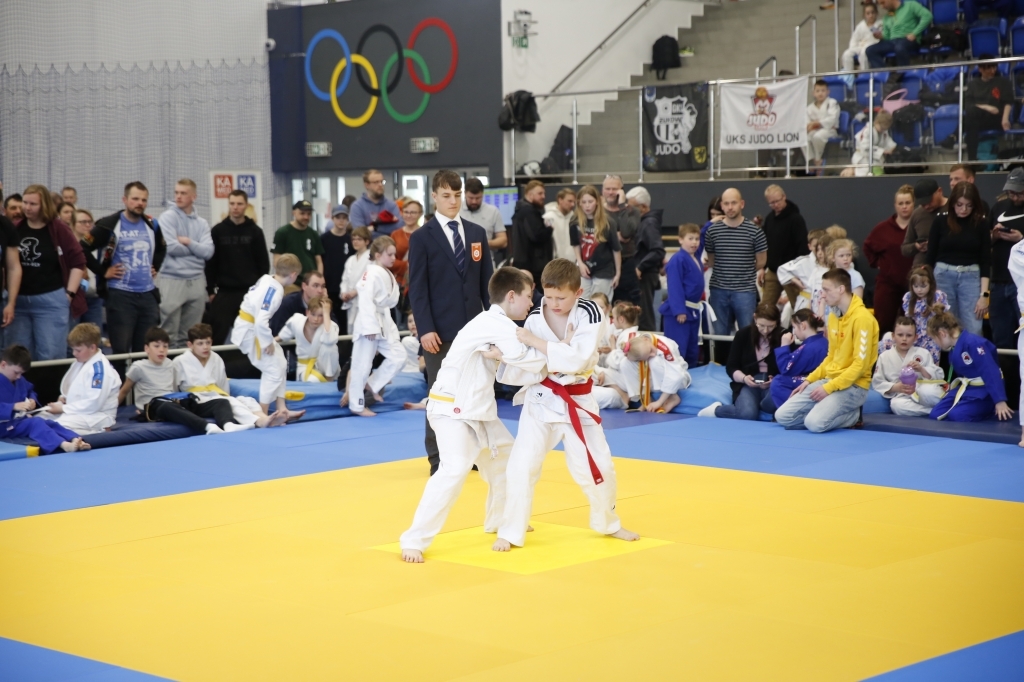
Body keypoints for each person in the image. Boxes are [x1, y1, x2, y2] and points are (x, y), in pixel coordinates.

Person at [399, 267, 548, 562]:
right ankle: (413, 540)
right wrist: (549, 349)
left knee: (507, 458)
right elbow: (529, 361)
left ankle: (501, 520)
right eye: (528, 296)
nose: (532, 303)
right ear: (511, 296)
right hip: (453, 409)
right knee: (454, 469)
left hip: (476, 409)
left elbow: (515, 367)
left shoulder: (491, 322)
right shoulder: (498, 325)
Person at [493, 258, 639, 551]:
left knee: (599, 466)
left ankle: (608, 523)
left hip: (578, 400)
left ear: (578, 292)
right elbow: (531, 363)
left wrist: (537, 343)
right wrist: (554, 350)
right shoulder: (535, 317)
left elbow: (577, 360)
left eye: (561, 298)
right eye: (548, 296)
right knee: (521, 466)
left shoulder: (591, 313)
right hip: (540, 399)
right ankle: (510, 530)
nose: (554, 303)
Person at [408, 170, 494, 474]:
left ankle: (469, 454)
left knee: (472, 395)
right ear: (434, 196)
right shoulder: (421, 238)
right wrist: (425, 330)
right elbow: (417, 288)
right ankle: (438, 459)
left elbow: (488, 285)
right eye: (446, 195)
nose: (453, 201)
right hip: (438, 333)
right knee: (440, 396)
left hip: (472, 330)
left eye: (457, 195)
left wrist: (493, 326)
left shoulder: (476, 233)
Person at [775, 269, 879, 432]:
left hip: (854, 386)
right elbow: (831, 357)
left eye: (826, 290)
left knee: (814, 424)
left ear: (841, 289)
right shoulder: (833, 316)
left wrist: (828, 388)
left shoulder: (863, 319)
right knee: (782, 416)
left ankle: (854, 416)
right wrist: (809, 380)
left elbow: (860, 366)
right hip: (830, 379)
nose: (822, 295)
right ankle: (822, 414)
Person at [120, 327, 250, 434]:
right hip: (154, 405)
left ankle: (228, 424)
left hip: (173, 401)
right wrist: (112, 414)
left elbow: (175, 388)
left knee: (221, 401)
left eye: (165, 346)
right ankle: (207, 426)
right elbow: (124, 391)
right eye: (156, 346)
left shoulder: (171, 364)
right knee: (165, 405)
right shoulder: (138, 367)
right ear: (146, 348)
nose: (161, 350)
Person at [9, 185, 86, 360]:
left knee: (50, 354)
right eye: (25, 203)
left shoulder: (58, 228)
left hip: (50, 301)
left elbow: (78, 262)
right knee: (19, 355)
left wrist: (69, 294)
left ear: (43, 205)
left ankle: (50, 380)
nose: (27, 208)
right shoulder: (16, 228)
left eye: (33, 204)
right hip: (19, 301)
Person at [89, 181, 166, 354]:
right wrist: (103, 271)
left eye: (144, 200)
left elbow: (162, 248)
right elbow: (82, 248)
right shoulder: (108, 225)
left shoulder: (152, 224)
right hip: (120, 296)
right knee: (121, 350)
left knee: (146, 349)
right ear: (124, 200)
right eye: (135, 199)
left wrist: (155, 266)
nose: (140, 203)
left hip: (147, 296)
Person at [172, 323, 284, 429]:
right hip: (195, 399)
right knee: (230, 403)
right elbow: (174, 390)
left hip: (216, 395)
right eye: (200, 343)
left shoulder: (216, 358)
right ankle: (259, 422)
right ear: (190, 345)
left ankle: (265, 418)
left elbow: (223, 386)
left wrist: (225, 396)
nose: (205, 347)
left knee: (248, 400)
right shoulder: (179, 362)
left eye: (208, 342)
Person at [231, 253, 300, 417]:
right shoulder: (275, 291)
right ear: (293, 275)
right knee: (273, 370)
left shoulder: (267, 278)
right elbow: (261, 321)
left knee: (281, 361)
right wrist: (267, 342)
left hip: (250, 326)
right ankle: (262, 414)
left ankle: (282, 408)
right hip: (251, 331)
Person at [344, 236, 404, 416]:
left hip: (383, 320)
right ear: (378, 255)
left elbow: (387, 304)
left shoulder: (385, 272)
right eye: (389, 254)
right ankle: (357, 406)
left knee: (399, 356)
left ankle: (372, 384)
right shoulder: (370, 273)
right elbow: (365, 299)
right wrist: (369, 327)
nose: (393, 258)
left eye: (394, 254)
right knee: (361, 365)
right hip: (368, 322)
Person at [205, 189, 270, 345]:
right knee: (218, 335)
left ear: (246, 205)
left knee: (252, 334)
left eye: (239, 204)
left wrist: (260, 290)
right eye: (232, 203)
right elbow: (211, 263)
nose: (235, 207)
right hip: (225, 292)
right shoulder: (218, 231)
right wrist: (210, 290)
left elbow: (263, 264)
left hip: (249, 292)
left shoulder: (255, 232)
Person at [698, 303, 783, 420]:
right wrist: (744, 378)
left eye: (771, 326)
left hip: (775, 384)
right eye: (761, 325)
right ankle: (717, 410)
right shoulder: (743, 335)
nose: (765, 330)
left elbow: (791, 367)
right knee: (747, 414)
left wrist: (775, 380)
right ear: (755, 318)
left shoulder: (784, 336)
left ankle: (763, 407)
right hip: (748, 384)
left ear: (777, 322)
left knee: (775, 405)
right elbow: (731, 366)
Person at [927, 306, 1012, 422]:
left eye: (934, 339)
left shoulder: (974, 343)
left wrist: (999, 400)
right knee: (936, 413)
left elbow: (990, 372)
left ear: (942, 334)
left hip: (986, 392)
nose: (935, 343)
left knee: (957, 415)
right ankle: (969, 407)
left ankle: (990, 409)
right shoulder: (954, 347)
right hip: (969, 389)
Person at [927, 181, 989, 336]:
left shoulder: (981, 223)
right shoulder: (940, 220)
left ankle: (971, 352)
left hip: (971, 277)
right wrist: (929, 288)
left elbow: (986, 262)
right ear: (953, 203)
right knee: (944, 326)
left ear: (975, 205)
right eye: (959, 205)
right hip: (943, 276)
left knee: (974, 327)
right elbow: (930, 257)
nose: (964, 210)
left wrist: (984, 296)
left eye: (969, 205)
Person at [156, 179, 213, 348]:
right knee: (168, 334)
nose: (178, 196)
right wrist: (197, 248)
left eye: (183, 193)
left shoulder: (202, 223)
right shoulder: (167, 217)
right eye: (176, 193)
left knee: (190, 335)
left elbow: (208, 252)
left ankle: (186, 365)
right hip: (172, 280)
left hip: (197, 281)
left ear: (193, 197)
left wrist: (188, 242)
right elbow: (171, 248)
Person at [0, 344, 88, 453]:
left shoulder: (19, 380)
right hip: (3, 427)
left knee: (49, 423)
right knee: (35, 423)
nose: (18, 376)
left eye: (21, 373)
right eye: (16, 372)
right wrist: (13, 407)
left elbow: (30, 390)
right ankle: (65, 445)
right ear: (3, 364)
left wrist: (32, 399)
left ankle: (76, 439)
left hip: (17, 422)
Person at [704, 188, 767, 335]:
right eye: (726, 203)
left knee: (748, 334)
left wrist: (743, 270)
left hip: (745, 291)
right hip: (718, 290)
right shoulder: (712, 232)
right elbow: (712, 261)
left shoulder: (755, 232)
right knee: (720, 336)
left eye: (734, 203)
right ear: (722, 206)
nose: (730, 207)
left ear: (742, 204)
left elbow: (762, 262)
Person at [43, 323, 120, 434]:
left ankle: (100, 431)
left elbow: (94, 403)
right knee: (40, 419)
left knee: (57, 426)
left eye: (78, 350)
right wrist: (64, 398)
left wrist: (63, 409)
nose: (74, 353)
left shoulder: (100, 370)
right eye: (73, 349)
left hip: (98, 415)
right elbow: (75, 388)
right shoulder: (81, 362)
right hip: (79, 412)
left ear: (92, 347)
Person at [864, 184, 916, 336]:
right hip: (888, 283)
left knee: (913, 324)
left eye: (908, 203)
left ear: (914, 204)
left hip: (914, 285)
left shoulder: (920, 226)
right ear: (895, 205)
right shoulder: (883, 228)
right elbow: (867, 247)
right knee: (883, 323)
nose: (904, 207)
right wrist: (877, 263)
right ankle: (881, 350)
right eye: (900, 203)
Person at [871, 316, 944, 417]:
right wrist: (896, 387)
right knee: (896, 405)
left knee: (928, 392)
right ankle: (932, 411)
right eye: (900, 335)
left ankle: (944, 406)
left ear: (915, 337)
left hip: (923, 391)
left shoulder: (923, 353)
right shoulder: (884, 357)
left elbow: (939, 375)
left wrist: (922, 369)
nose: (904, 339)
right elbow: (877, 382)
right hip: (903, 396)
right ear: (893, 336)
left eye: (909, 335)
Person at [987, 168, 1024, 348]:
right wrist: (994, 236)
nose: (1014, 197)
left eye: (1019, 193)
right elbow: (984, 241)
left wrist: (1021, 239)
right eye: (1011, 192)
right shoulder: (998, 207)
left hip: (1021, 283)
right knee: (1000, 338)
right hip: (998, 282)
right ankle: (1004, 367)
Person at [611, 331, 690, 413]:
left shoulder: (664, 347)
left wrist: (659, 402)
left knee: (654, 360)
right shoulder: (636, 343)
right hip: (656, 379)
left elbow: (676, 376)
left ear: (646, 339)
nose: (652, 354)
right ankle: (646, 400)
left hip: (679, 379)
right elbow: (616, 362)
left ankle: (673, 397)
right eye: (648, 354)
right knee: (625, 363)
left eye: (651, 350)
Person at [661, 223, 705, 368]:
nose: (694, 242)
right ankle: (674, 378)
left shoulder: (695, 256)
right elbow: (674, 286)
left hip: (692, 311)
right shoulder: (677, 259)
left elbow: (702, 239)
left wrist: (711, 223)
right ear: (680, 240)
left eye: (696, 239)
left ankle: (691, 376)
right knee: (678, 349)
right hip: (679, 312)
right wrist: (679, 310)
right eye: (690, 238)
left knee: (692, 350)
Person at [768, 309, 828, 411]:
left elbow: (786, 369)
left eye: (794, 327)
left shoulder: (810, 347)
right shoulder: (821, 341)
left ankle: (793, 412)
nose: (794, 332)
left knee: (778, 381)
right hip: (819, 380)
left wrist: (784, 346)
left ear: (803, 326)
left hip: (815, 381)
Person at [569, 185, 621, 300]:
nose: (587, 205)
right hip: (584, 267)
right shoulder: (574, 221)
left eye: (590, 202)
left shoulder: (608, 222)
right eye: (584, 202)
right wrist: (580, 263)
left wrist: (617, 273)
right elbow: (575, 244)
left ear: (597, 202)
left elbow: (616, 249)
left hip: (604, 269)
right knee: (581, 302)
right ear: (579, 203)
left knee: (599, 303)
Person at [761, 185, 809, 307]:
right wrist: (762, 267)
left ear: (784, 197)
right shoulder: (769, 218)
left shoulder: (796, 219)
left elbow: (803, 247)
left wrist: (798, 270)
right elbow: (764, 244)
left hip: (791, 272)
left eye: (778, 201)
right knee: (765, 307)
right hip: (773, 271)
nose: (776, 205)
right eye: (772, 203)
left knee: (798, 306)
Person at [627, 187, 666, 332]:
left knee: (644, 314)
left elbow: (657, 250)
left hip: (645, 276)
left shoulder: (648, 223)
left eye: (631, 207)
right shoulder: (646, 222)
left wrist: (640, 267)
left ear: (643, 207)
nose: (628, 210)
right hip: (646, 274)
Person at [278, 295, 339, 383]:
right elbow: (284, 335)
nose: (316, 319)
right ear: (307, 312)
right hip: (304, 367)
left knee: (329, 347)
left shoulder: (330, 326)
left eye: (321, 315)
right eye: (313, 314)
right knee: (313, 381)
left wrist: (326, 314)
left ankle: (329, 380)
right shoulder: (297, 321)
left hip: (325, 367)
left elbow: (329, 340)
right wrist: (269, 341)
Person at [964, 57, 1013, 163]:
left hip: (996, 118)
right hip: (978, 118)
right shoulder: (972, 84)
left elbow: (1008, 102)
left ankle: (971, 159)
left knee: (970, 118)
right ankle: (973, 160)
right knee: (972, 116)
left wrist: (1005, 119)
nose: (993, 71)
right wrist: (986, 107)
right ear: (980, 69)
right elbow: (967, 104)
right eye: (989, 68)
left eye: (994, 68)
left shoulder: (1003, 82)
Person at [900, 264, 949, 363]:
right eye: (916, 286)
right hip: (915, 337)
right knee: (914, 363)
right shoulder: (909, 298)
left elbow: (944, 317)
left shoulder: (937, 296)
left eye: (923, 286)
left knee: (932, 363)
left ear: (930, 284)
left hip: (933, 337)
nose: (919, 290)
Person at [603, 175, 641, 305]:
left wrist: (622, 206)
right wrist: (614, 234)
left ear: (622, 190)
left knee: (627, 306)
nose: (610, 192)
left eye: (614, 189)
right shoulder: (598, 212)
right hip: (604, 266)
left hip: (627, 265)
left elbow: (626, 233)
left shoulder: (632, 211)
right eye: (607, 188)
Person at [865, 0, 932, 68]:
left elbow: (927, 16)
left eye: (883, 3)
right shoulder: (886, 17)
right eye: (880, 4)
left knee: (899, 47)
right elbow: (887, 36)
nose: (882, 7)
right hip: (892, 42)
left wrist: (915, 33)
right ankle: (884, 73)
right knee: (870, 50)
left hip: (908, 40)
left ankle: (903, 72)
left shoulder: (910, 5)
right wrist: (880, 36)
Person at [778, 231, 830, 316]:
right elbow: (782, 269)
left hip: (827, 303)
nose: (819, 251)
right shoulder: (803, 261)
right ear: (809, 246)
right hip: (806, 300)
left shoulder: (833, 263)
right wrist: (794, 280)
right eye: (815, 247)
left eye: (822, 247)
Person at [511, 180, 551, 285]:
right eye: (540, 193)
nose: (543, 196)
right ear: (530, 194)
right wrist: (549, 229)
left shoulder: (520, 211)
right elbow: (536, 235)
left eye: (544, 193)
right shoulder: (529, 212)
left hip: (525, 263)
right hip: (532, 267)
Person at [461, 177, 507, 266]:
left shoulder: (493, 211)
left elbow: (503, 240)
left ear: (482, 194)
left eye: (478, 198)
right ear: (464, 193)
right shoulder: (455, 211)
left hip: (485, 264)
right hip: (461, 264)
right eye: (471, 198)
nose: (474, 201)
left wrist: (483, 243)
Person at [321, 203, 353, 330]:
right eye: (338, 217)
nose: (341, 221)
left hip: (345, 290)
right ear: (332, 219)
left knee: (344, 323)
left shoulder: (351, 240)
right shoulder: (324, 239)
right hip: (329, 287)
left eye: (344, 218)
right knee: (330, 320)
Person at [901, 179, 947, 266]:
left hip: (947, 266)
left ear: (939, 191)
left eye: (929, 201)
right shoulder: (917, 213)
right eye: (922, 203)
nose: (926, 206)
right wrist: (916, 246)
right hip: (921, 267)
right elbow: (905, 248)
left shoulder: (955, 209)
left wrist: (934, 244)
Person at [272, 200, 323, 277]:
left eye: (309, 214)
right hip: (291, 280)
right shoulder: (282, 232)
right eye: (302, 213)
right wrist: (285, 279)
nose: (306, 217)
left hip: (309, 281)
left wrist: (319, 278)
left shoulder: (314, 234)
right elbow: (277, 260)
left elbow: (319, 261)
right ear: (294, 213)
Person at [71, 209, 102, 329]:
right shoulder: (67, 245)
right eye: (83, 222)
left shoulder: (97, 246)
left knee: (94, 334)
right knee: (73, 335)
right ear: (73, 224)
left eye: (90, 222)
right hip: (74, 297)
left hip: (94, 297)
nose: (88, 225)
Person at [269, 271, 326, 336]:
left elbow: (332, 330)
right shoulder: (287, 304)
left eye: (323, 286)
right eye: (315, 286)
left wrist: (326, 307)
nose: (320, 291)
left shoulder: (323, 304)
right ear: (304, 286)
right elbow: (277, 332)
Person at [339, 227, 371, 335]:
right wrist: (344, 293)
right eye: (353, 239)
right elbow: (345, 280)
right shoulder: (350, 260)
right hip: (350, 300)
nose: (355, 242)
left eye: (359, 239)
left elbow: (368, 278)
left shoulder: (371, 258)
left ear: (367, 241)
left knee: (363, 330)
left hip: (363, 299)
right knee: (351, 330)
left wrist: (356, 291)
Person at [843, 111, 895, 176]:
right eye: (882, 128)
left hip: (875, 158)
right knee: (866, 173)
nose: (883, 130)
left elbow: (888, 141)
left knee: (878, 171)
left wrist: (892, 147)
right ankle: (851, 171)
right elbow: (865, 148)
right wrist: (882, 151)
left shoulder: (883, 132)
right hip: (863, 157)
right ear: (876, 122)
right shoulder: (867, 131)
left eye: (885, 129)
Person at [349, 169, 400, 235]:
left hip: (389, 241)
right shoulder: (357, 206)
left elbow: (399, 227)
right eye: (376, 182)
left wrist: (375, 228)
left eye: (382, 181)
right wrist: (387, 228)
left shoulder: (392, 205)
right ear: (367, 185)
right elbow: (360, 233)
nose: (380, 185)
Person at [806, 80, 841, 170]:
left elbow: (832, 119)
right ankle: (812, 160)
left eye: (823, 90)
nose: (820, 93)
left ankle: (818, 160)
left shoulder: (832, 102)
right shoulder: (809, 107)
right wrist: (810, 126)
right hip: (815, 130)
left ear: (828, 92)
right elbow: (807, 123)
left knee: (817, 136)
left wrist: (817, 123)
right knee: (803, 138)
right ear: (813, 93)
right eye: (817, 91)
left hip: (830, 130)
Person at [390, 199, 422, 295]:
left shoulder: (427, 234)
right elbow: (389, 260)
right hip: (400, 283)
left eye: (413, 212)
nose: (409, 215)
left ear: (420, 214)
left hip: (421, 281)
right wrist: (407, 266)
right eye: (406, 212)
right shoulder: (395, 234)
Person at [842, 2, 883, 71]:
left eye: (872, 12)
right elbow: (854, 39)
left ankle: (865, 73)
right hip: (860, 47)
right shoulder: (860, 26)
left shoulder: (880, 24)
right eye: (868, 13)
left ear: (876, 13)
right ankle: (849, 74)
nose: (871, 15)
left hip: (872, 47)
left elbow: (880, 38)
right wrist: (854, 48)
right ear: (864, 15)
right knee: (846, 54)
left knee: (864, 53)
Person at [542, 188, 576, 262]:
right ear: (560, 200)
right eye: (569, 201)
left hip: (573, 262)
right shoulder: (548, 218)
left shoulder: (575, 219)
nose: (572, 204)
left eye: (574, 202)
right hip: (554, 262)